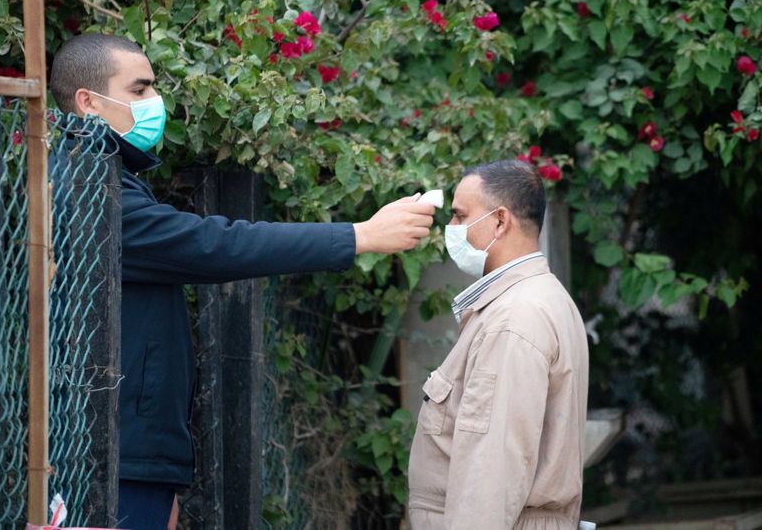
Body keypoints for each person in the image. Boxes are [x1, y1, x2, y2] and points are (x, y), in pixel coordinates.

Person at [48, 33, 436, 529]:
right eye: (140, 89)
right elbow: (215, 244)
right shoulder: (88, 188)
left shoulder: (101, 174)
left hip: (125, 445)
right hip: (115, 450)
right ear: (88, 102)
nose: (155, 103)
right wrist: (358, 236)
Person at [407, 160, 589, 529]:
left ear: (500, 221)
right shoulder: (538, 299)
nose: (451, 229)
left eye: (459, 216)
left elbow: (490, 471)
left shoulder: (513, 318)